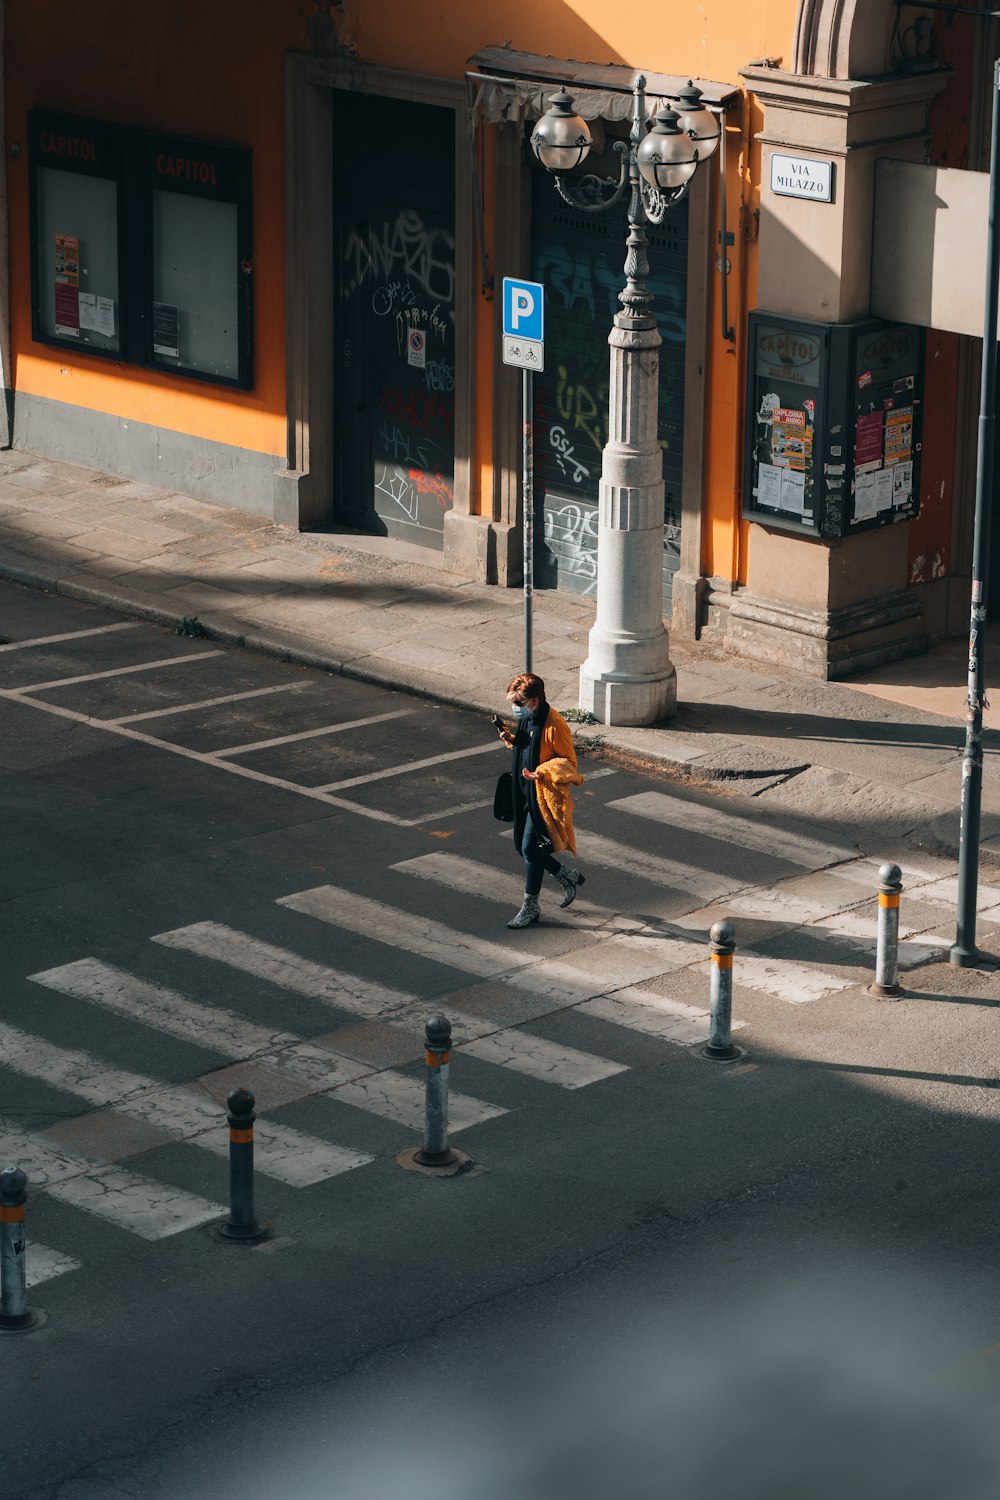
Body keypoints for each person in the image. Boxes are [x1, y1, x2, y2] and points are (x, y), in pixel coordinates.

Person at [494, 672, 585, 929]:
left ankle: (530, 908)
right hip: (522, 791)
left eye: (518, 703)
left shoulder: (555, 725)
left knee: (530, 850)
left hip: (542, 797)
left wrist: (542, 773)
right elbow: (527, 748)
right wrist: (511, 739)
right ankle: (565, 875)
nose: (515, 708)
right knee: (521, 848)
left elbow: (569, 765)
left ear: (534, 700)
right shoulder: (529, 719)